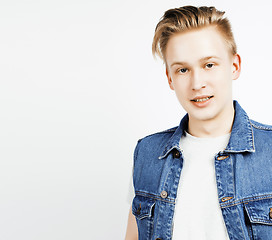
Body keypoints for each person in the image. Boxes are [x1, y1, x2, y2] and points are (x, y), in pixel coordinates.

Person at [125, 5, 272, 240]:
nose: (197, 83)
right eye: (183, 69)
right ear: (170, 78)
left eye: (209, 65)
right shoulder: (148, 153)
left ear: (234, 66)